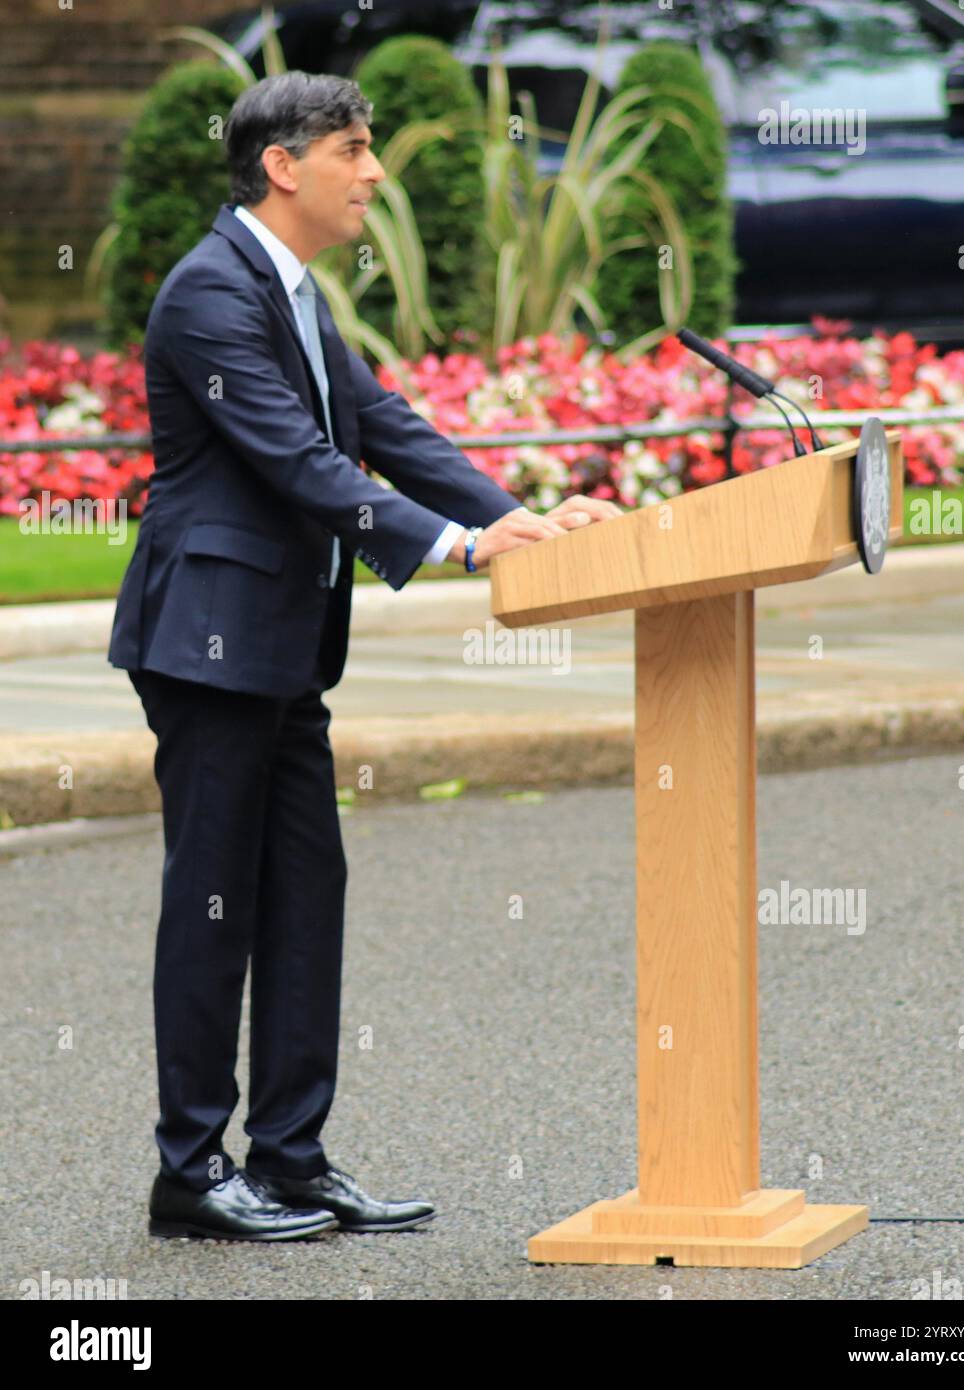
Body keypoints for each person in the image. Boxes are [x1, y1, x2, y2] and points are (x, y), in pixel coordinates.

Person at [107, 69, 619, 1242]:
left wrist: (513, 518)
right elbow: (297, 460)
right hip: (210, 645)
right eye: (352, 149)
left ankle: (290, 1157)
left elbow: (377, 422)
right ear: (282, 165)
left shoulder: (286, 290)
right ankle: (191, 1169)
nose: (373, 171)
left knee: (304, 897)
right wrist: (453, 542)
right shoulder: (208, 294)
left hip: (284, 652)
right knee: (215, 903)